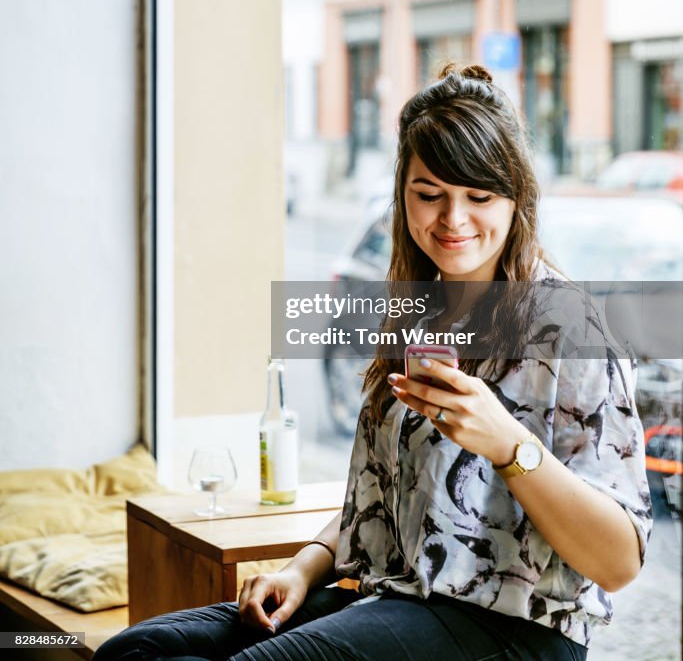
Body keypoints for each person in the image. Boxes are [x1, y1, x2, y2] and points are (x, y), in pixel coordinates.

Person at [95, 64, 652, 661]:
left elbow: (619, 561)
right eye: (429, 194)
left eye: (479, 197)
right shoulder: (418, 312)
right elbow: (387, 494)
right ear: (402, 197)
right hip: (393, 596)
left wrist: (509, 445)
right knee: (135, 651)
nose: (453, 220)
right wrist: (304, 567)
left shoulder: (570, 328)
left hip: (513, 628)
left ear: (517, 199)